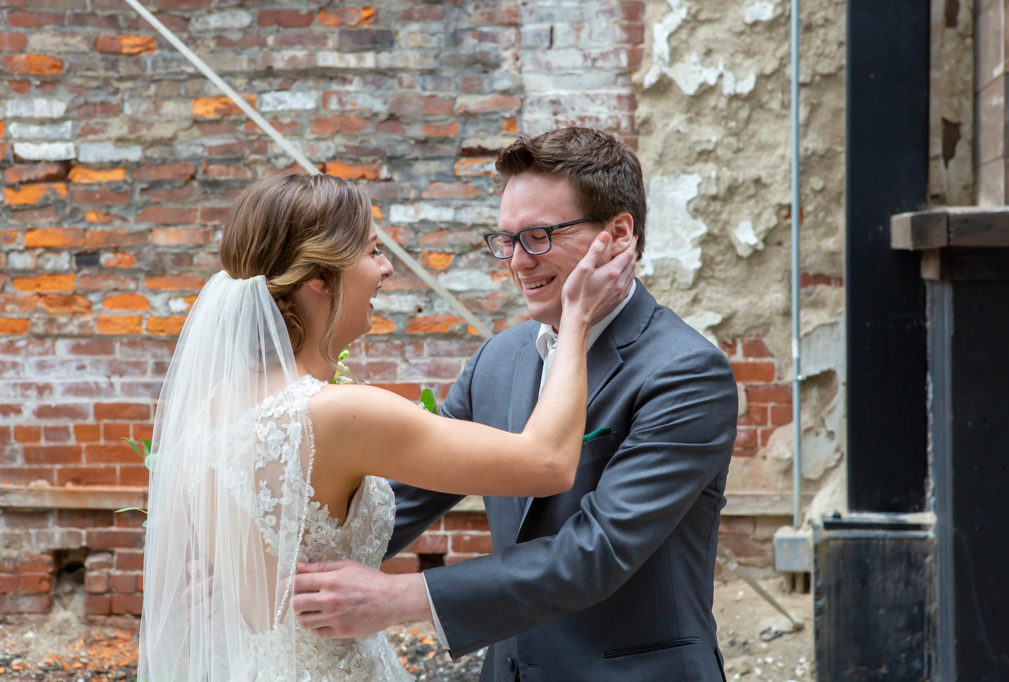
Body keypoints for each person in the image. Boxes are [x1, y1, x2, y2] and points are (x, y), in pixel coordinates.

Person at [136, 172, 635, 681]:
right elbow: (548, 463)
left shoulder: (209, 412)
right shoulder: (341, 413)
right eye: (372, 251)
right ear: (318, 276)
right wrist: (576, 318)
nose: (386, 268)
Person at [293, 128, 739, 681]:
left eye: (539, 236)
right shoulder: (497, 360)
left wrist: (403, 597)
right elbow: (401, 501)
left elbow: (597, 552)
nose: (518, 261)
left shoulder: (687, 371)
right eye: (506, 239)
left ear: (619, 234)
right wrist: (267, 563)